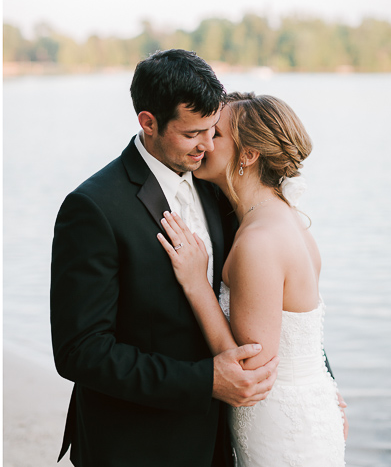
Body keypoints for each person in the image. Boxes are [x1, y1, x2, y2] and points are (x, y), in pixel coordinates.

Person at [50, 49, 278, 467]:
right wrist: (205, 381)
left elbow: (276, 299)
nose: (207, 146)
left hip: (220, 442)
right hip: (137, 445)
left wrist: (318, 380)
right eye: (193, 133)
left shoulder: (216, 183)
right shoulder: (93, 208)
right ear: (148, 123)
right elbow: (80, 351)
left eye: (212, 130)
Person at [156, 92, 346, 467]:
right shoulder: (288, 219)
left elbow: (250, 372)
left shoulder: (260, 242)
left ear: (248, 155)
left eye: (217, 134)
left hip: (280, 431)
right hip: (308, 406)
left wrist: (197, 285)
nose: (205, 143)